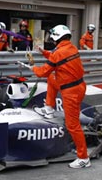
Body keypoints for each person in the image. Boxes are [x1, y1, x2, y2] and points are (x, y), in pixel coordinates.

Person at [21, 25, 89, 169]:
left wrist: (32, 68)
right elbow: (56, 57)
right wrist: (42, 52)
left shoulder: (59, 53)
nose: (51, 40)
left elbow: (42, 72)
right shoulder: (71, 48)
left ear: (57, 37)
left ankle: (83, 158)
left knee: (73, 126)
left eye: (52, 37)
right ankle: (49, 108)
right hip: (78, 86)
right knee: (52, 79)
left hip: (71, 92)